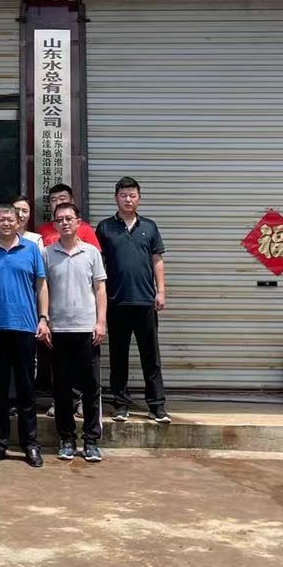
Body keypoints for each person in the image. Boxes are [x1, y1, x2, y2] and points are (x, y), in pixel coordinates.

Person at [0, 203, 49, 468]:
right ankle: (0, 442)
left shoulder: (31, 249)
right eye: (2, 219)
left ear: (19, 222)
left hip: (25, 327)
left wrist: (43, 318)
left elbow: (41, 286)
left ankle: (30, 444)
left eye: (11, 219)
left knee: (26, 388)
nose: (6, 223)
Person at [96, 176, 169, 424]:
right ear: (116, 198)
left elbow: (157, 261)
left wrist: (161, 291)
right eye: (123, 195)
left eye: (132, 195)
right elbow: (98, 266)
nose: (128, 199)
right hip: (116, 302)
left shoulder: (149, 226)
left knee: (151, 356)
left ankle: (157, 406)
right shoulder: (105, 228)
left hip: (145, 301)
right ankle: (120, 405)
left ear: (139, 198)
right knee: (118, 356)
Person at [43, 202, 107, 463]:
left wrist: (101, 322)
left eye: (69, 218)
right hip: (58, 329)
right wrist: (44, 320)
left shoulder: (91, 252)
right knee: (61, 388)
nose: (65, 223)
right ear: (55, 224)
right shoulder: (47, 254)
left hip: (87, 329)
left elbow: (100, 289)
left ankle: (91, 440)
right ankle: (66, 439)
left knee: (91, 387)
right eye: (60, 219)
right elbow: (42, 289)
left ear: (79, 223)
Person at [37, 184, 100, 249]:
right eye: (54, 200)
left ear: (72, 201)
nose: (58, 203)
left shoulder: (85, 229)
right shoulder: (43, 229)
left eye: (62, 199)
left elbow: (94, 253)